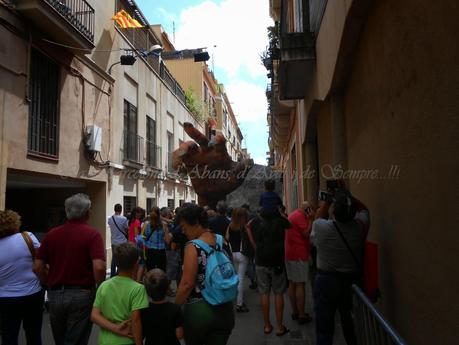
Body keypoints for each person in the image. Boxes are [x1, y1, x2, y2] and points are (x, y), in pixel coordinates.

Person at [34, 193, 106, 345]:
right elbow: (99, 267)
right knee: (76, 340)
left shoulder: (52, 234)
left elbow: (37, 267)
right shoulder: (92, 234)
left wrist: (49, 283)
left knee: (61, 339)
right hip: (82, 293)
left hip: (54, 294)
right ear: (87, 212)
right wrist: (99, 287)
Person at [311, 188, 370, 345]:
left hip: (326, 282)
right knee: (351, 325)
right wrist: (349, 196)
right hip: (351, 282)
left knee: (324, 327)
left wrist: (329, 199)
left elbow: (317, 218)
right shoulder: (360, 228)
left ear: (334, 212)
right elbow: (365, 210)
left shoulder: (322, 228)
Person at [175, 204, 235, 345]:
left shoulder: (193, 246)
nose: (183, 231)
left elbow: (187, 284)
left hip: (200, 311)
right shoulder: (222, 240)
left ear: (195, 222)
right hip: (225, 309)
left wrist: (175, 308)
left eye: (184, 226)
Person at [0, 210, 44, 345]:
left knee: (9, 336)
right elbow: (41, 259)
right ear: (15, 223)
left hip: (6, 298)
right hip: (33, 294)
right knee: (34, 334)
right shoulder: (27, 237)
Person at [91, 242, 148, 345]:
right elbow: (136, 321)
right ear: (136, 263)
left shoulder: (104, 286)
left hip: (105, 341)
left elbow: (94, 315)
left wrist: (115, 328)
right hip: (127, 341)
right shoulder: (138, 289)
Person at [249, 211, 291, 336]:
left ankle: (267, 325)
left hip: (261, 261)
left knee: (264, 293)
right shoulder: (280, 221)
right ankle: (279, 327)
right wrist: (281, 214)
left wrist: (256, 248)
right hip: (277, 261)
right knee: (278, 293)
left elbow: (248, 226)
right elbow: (290, 225)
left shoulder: (257, 220)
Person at [285, 202, 315, 324]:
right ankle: (302, 314)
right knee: (300, 284)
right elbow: (306, 233)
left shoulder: (292, 215)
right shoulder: (300, 217)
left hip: (289, 253)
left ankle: (295, 311)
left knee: (292, 283)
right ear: (308, 210)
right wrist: (311, 220)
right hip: (298, 255)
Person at [142, 269, 184, 345]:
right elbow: (179, 335)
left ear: (147, 291)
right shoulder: (175, 309)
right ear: (167, 288)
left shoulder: (144, 310)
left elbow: (142, 333)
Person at [225, 207, 251, 312]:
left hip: (233, 254)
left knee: (236, 278)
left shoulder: (230, 225)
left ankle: (235, 299)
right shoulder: (244, 226)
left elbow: (226, 238)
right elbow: (250, 239)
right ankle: (239, 304)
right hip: (242, 254)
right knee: (240, 279)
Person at [141, 206, 170, 272]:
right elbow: (167, 241)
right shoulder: (164, 224)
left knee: (150, 270)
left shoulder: (146, 224)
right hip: (161, 251)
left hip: (150, 251)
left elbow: (142, 238)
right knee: (161, 271)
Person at [108, 203, 129, 277]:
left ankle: (112, 274)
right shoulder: (124, 219)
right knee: (122, 258)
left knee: (114, 258)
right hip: (122, 242)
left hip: (114, 242)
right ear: (121, 210)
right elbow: (126, 229)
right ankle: (119, 273)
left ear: (114, 209)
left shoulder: (110, 219)